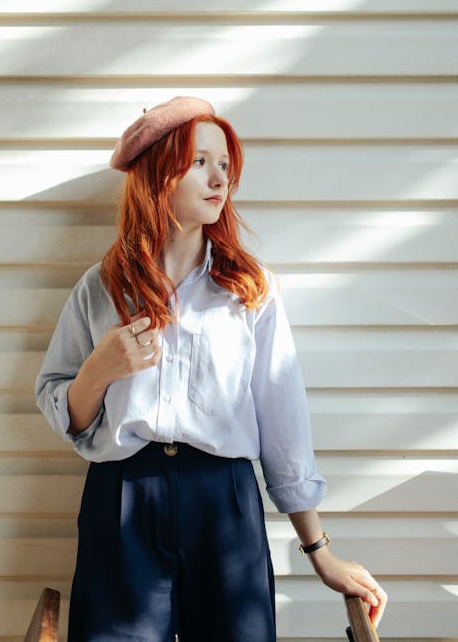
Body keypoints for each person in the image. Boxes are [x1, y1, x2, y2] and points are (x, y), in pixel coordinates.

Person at [36, 96, 387, 642]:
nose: (218, 177)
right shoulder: (101, 288)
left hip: (224, 502)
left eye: (225, 164)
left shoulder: (250, 290)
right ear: (158, 173)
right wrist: (98, 370)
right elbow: (69, 416)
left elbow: (283, 422)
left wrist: (320, 553)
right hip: (123, 496)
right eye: (199, 161)